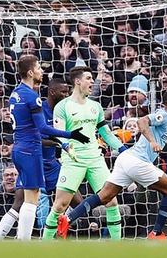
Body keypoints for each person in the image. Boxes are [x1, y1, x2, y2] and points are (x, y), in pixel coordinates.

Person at [55, 89, 167, 241]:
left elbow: (165, 141)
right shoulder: (164, 115)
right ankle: (156, 233)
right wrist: (152, 142)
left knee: (104, 197)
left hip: (126, 159)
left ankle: (67, 219)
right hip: (138, 161)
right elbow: (141, 122)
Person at [42, 66, 129, 241]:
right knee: (60, 205)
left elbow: (106, 134)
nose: (92, 82)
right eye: (89, 78)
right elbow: (59, 135)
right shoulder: (62, 107)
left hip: (95, 159)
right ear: (77, 81)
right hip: (73, 160)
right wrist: (69, 149)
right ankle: (44, 244)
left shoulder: (95, 106)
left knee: (111, 201)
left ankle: (118, 246)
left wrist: (122, 150)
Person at [8, 56, 90, 241]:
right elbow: (41, 133)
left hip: (50, 163)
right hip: (33, 155)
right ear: (52, 92)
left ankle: (79, 223)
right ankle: (24, 241)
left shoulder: (64, 110)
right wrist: (65, 139)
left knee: (73, 197)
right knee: (23, 202)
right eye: (63, 92)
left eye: (68, 92)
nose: (66, 95)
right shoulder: (35, 102)